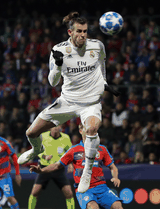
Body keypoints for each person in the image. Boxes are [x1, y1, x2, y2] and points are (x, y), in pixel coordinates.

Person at [18, 11, 120, 193]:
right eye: (79, 31)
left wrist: (104, 83)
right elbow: (53, 82)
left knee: (91, 129)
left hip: (91, 102)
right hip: (68, 101)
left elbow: (102, 65)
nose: (82, 35)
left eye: (85, 31)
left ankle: (87, 172)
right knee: (31, 132)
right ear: (70, 32)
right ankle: (36, 150)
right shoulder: (58, 50)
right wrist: (57, 66)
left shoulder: (97, 46)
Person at [29, 123, 127, 209]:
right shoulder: (74, 150)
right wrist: (41, 171)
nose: (90, 130)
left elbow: (113, 167)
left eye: (92, 129)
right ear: (81, 131)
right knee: (93, 208)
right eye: (87, 128)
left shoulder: (102, 149)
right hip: (84, 189)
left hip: (102, 188)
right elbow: (57, 165)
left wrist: (116, 177)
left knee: (119, 208)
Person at [28, 125, 75, 209]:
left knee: (69, 193)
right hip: (44, 168)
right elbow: (37, 150)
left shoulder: (66, 138)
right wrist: (44, 156)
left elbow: (69, 153)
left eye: (57, 126)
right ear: (50, 128)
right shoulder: (43, 136)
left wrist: (70, 164)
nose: (55, 128)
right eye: (53, 127)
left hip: (59, 169)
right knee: (34, 192)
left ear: (60, 127)